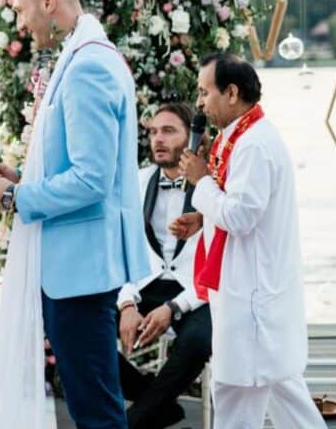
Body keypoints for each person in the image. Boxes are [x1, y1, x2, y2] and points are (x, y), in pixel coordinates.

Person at [0, 0, 150, 429]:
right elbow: (76, 164)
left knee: (95, 411)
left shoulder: (88, 67)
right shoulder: (83, 56)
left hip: (80, 268)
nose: (20, 23)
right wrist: (24, 177)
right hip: (76, 264)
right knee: (89, 400)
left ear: (48, 1)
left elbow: (92, 180)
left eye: (20, 9)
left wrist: (14, 198)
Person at [175, 53, 325, 428]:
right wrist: (203, 218)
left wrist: (201, 181)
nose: (199, 103)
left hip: (252, 297)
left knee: (239, 393)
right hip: (247, 293)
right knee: (278, 395)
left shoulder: (254, 145)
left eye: (204, 92)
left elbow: (241, 216)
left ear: (231, 93)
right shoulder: (242, 137)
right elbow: (242, 207)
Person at [117, 103, 211, 429]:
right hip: (145, 285)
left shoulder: (213, 187)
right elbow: (121, 248)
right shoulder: (137, 181)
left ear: (192, 139)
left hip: (196, 291)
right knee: (85, 327)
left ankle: (134, 422)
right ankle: (157, 404)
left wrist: (173, 308)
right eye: (154, 132)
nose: (158, 139)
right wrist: (127, 303)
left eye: (169, 131)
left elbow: (222, 262)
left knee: (198, 341)